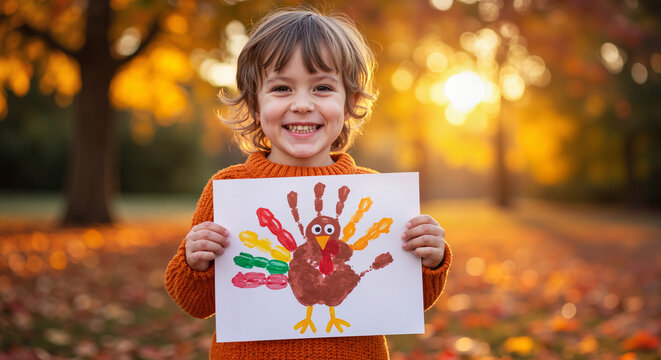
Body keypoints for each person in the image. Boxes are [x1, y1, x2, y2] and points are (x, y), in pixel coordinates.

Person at [165, 8, 452, 360]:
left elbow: (406, 300)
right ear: (255, 102)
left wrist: (430, 261)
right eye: (282, 88)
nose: (302, 104)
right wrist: (196, 262)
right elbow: (194, 304)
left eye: (322, 88)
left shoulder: (378, 196)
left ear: (350, 103)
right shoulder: (228, 188)